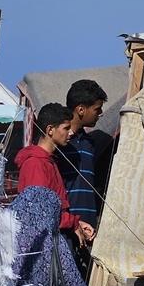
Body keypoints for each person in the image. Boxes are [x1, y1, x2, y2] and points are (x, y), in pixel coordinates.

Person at [16, 103, 94, 246]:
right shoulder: (36, 164)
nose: (70, 133)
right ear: (50, 130)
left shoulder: (49, 161)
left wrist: (76, 223)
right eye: (66, 128)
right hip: (46, 244)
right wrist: (72, 223)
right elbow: (41, 212)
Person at [58, 79, 107, 230]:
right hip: (66, 226)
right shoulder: (57, 143)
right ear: (81, 110)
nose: (100, 114)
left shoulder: (89, 142)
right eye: (97, 109)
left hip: (88, 224)